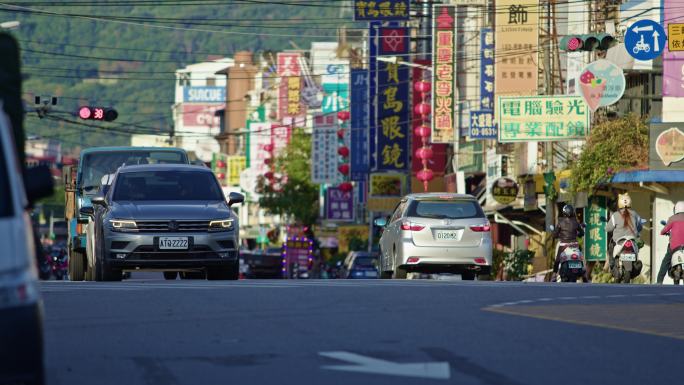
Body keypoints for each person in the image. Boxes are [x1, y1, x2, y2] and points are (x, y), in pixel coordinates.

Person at [605, 193, 644, 275]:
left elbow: (608, 228)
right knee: (637, 252)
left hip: (619, 242)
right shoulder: (635, 214)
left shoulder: (615, 215)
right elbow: (640, 227)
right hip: (632, 241)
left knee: (611, 245)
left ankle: (611, 263)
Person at [551, 204, 585, 282]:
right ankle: (584, 273)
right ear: (572, 212)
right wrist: (578, 234)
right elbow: (582, 233)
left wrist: (555, 234)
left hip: (564, 245)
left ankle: (554, 275)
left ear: (564, 213)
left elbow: (555, 234)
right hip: (574, 244)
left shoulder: (560, 222)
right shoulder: (575, 222)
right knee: (580, 256)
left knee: (557, 260)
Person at [657, 201, 684, 284]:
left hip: (674, 246)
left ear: (676, 209)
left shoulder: (672, 218)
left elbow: (664, 230)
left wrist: (663, 232)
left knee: (666, 261)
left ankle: (659, 281)